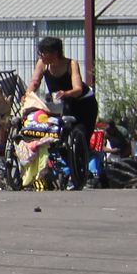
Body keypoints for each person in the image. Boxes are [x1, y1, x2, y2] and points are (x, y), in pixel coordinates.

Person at [28, 35, 97, 189]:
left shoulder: (71, 64)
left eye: (44, 53)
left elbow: (78, 88)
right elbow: (35, 81)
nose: (41, 56)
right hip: (63, 104)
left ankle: (81, 174)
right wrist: (27, 95)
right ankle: (74, 172)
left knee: (80, 135)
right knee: (61, 139)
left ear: (55, 53)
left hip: (83, 104)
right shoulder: (43, 64)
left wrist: (66, 93)